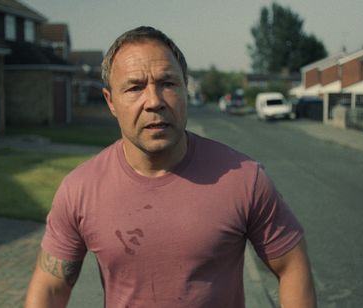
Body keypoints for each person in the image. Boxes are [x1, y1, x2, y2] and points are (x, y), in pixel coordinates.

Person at [25, 26, 316, 308]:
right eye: (135, 87)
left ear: (185, 88)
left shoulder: (243, 178)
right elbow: (50, 289)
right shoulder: (80, 189)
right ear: (111, 101)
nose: (154, 101)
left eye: (167, 84)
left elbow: (292, 266)